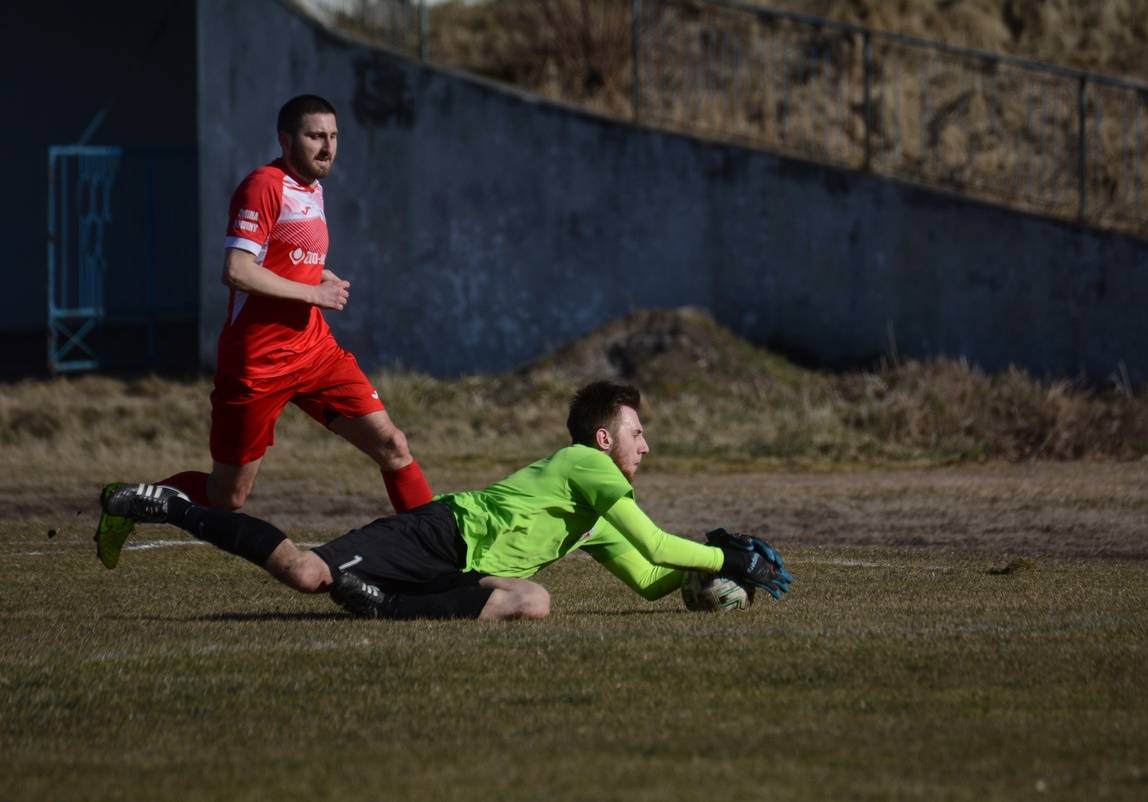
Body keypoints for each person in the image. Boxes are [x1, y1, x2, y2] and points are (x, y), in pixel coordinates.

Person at [94, 381, 793, 620]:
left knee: (535, 602)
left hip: (460, 571)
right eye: (639, 434)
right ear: (604, 439)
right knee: (306, 574)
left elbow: (648, 575)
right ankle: (167, 505)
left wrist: (707, 574)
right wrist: (730, 558)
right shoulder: (586, 463)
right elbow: (658, 543)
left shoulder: (599, 512)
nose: (648, 446)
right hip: (441, 534)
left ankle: (382, 604)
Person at [94, 95, 431, 568]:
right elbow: (237, 270)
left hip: (315, 351)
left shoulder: (312, 187)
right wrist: (313, 293)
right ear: (286, 140)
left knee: (393, 446)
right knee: (227, 496)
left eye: (334, 136)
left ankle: (438, 555)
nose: (328, 147)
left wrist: (319, 275)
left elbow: (281, 256)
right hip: (258, 363)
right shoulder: (263, 186)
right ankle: (128, 503)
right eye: (316, 136)